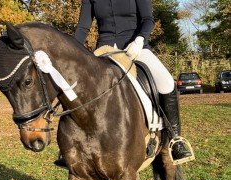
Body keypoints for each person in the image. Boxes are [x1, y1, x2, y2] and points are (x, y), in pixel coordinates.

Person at [55, 0, 192, 166]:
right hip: (104, 50)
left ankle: (175, 139)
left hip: (134, 48)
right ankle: (70, 146)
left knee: (167, 83)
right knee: (76, 83)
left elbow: (148, 19)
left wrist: (140, 40)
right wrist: (71, 53)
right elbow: (83, 28)